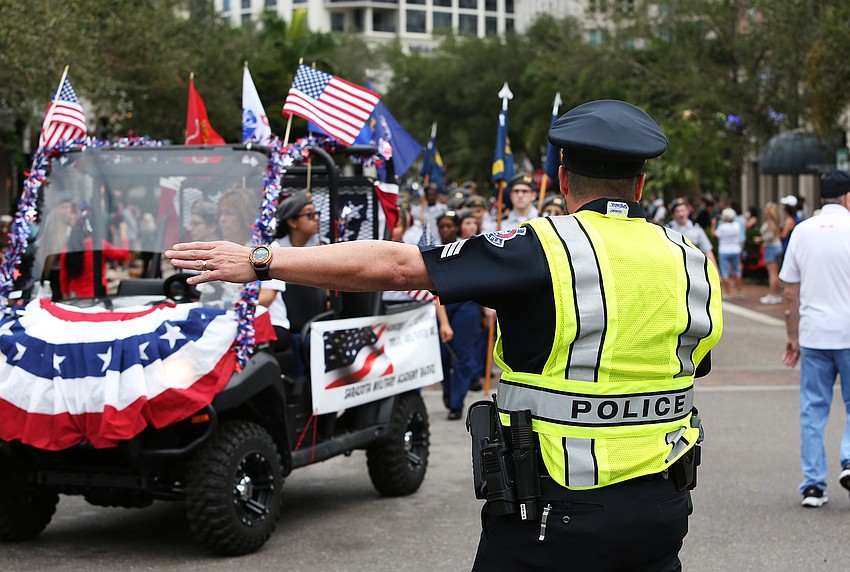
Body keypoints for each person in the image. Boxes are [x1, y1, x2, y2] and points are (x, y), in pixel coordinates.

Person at [165, 99, 723, 571]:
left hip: (557, 511)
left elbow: (396, 266)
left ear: (562, 178)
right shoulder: (692, 261)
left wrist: (261, 259)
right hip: (663, 507)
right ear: (642, 183)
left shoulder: (543, 248)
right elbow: (689, 364)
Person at [779, 170, 850, 509]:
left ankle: (813, 486)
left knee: (812, 410)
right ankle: (849, 460)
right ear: (848, 198)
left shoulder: (802, 231)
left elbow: (790, 292)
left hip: (814, 334)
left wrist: (792, 336)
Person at [667, 198, 718, 268]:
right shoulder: (667, 229)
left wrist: (716, 272)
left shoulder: (696, 228)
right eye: (677, 211)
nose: (681, 214)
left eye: (683, 210)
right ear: (673, 214)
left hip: (693, 268)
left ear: (688, 211)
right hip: (674, 268)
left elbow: (708, 251)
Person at [712, 207, 744, 299]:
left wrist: (713, 225)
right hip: (735, 250)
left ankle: (728, 293)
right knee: (737, 271)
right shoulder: (737, 225)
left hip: (724, 250)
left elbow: (714, 234)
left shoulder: (722, 227)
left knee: (725, 272)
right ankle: (739, 292)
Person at [756, 201, 783, 304]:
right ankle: (776, 294)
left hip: (771, 247)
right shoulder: (774, 221)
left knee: (772, 273)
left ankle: (773, 294)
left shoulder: (771, 222)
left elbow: (770, 237)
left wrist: (761, 239)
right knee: (775, 273)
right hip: (775, 247)